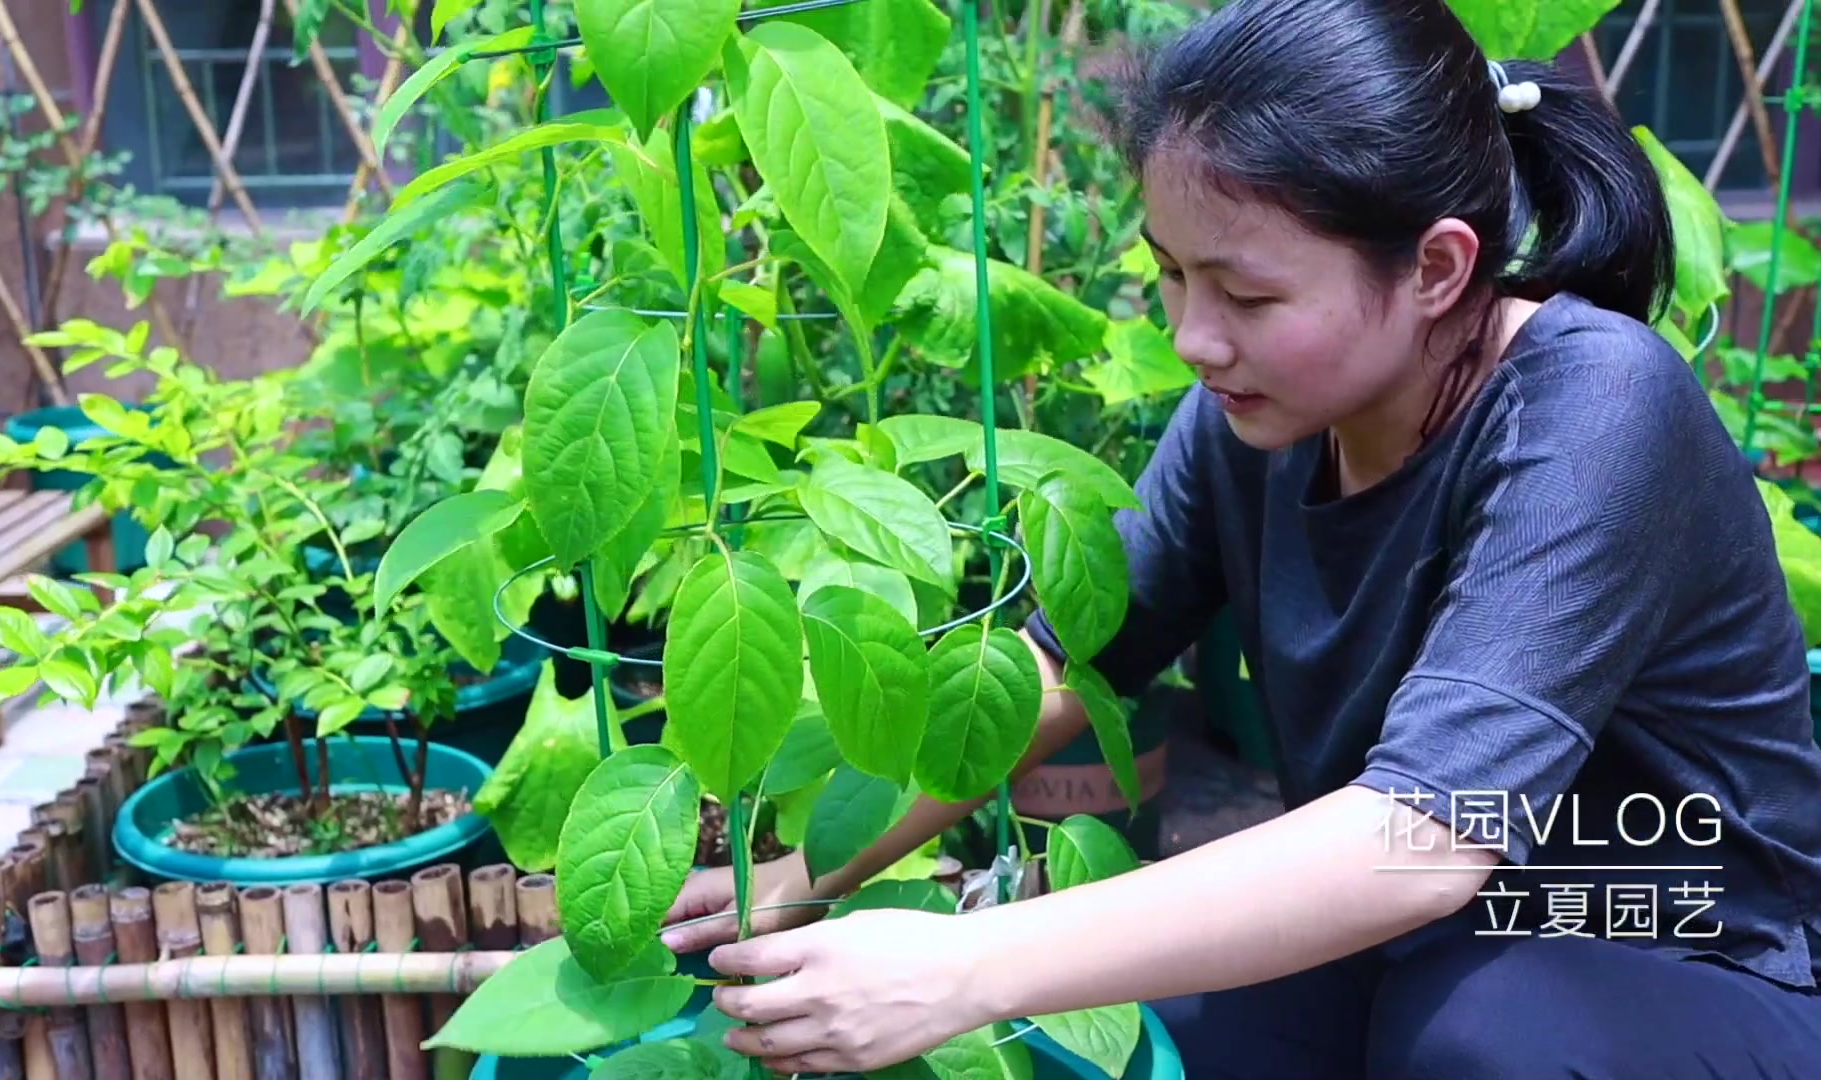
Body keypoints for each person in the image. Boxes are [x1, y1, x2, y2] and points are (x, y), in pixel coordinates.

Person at [659, 0, 1821, 1074]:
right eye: (1170, 275)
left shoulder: (1597, 407)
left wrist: (961, 965)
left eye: (1246, 296)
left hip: (1676, 948)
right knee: (1143, 1024)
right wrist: (812, 871)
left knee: (1481, 1041)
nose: (1193, 338)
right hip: (1430, 933)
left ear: (1437, 267)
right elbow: (1067, 662)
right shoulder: (1257, 418)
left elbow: (1426, 833)